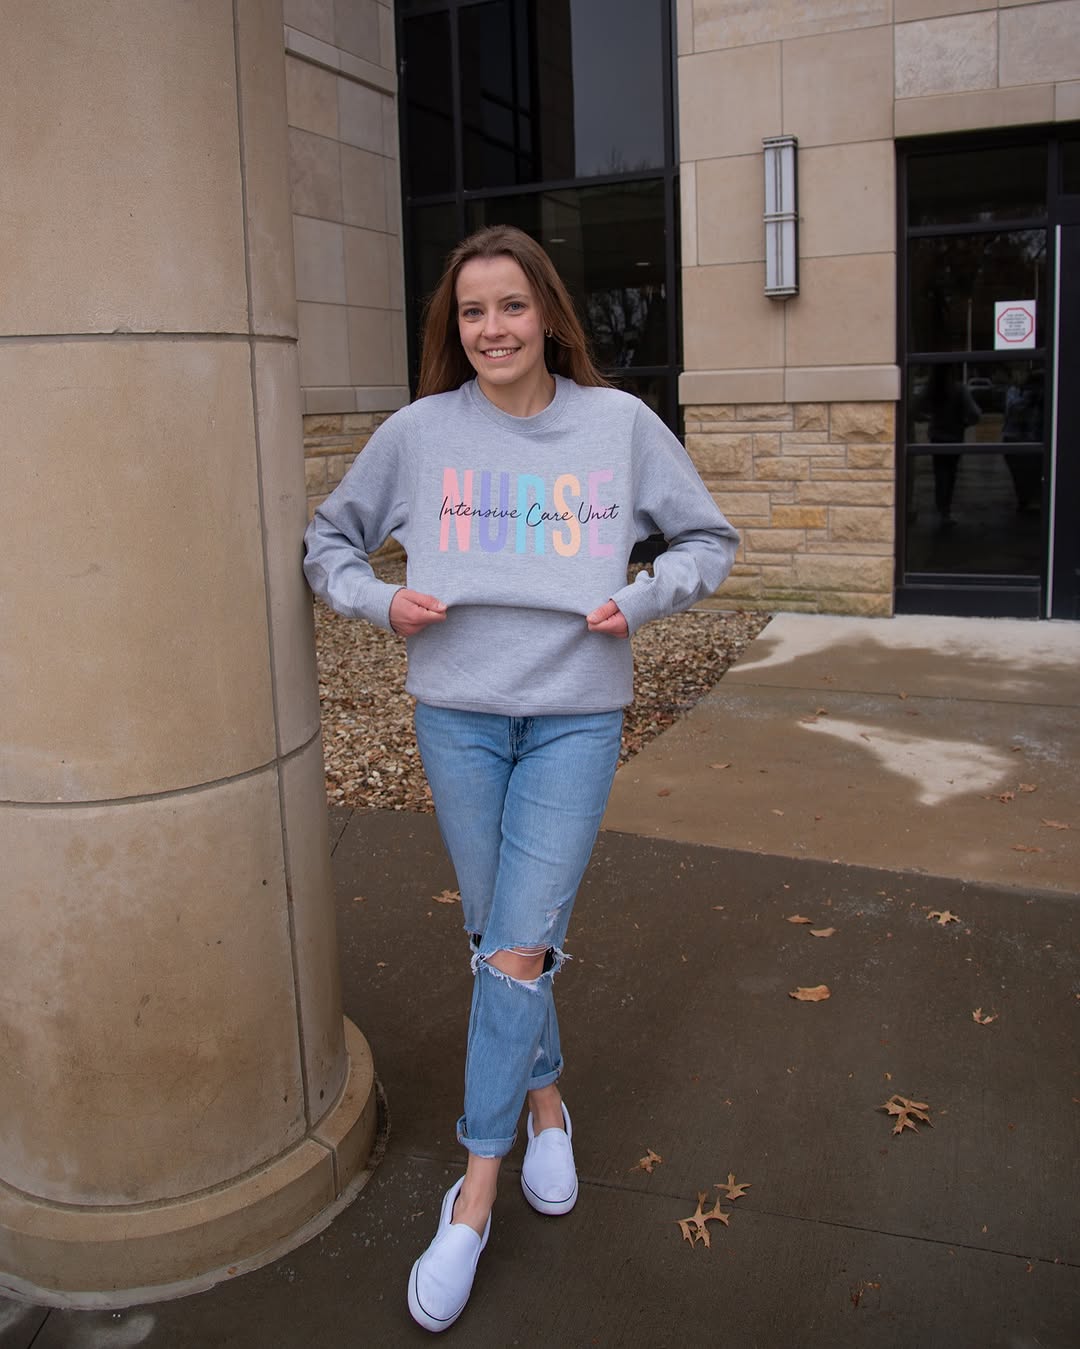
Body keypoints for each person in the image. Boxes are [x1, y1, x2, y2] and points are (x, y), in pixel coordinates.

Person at [303, 225, 739, 1332]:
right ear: (453, 328)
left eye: (510, 305)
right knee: (503, 933)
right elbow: (328, 542)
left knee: (512, 945)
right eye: (471, 311)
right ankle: (547, 1099)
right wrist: (378, 601)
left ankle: (473, 1191)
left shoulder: (618, 425)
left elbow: (707, 539)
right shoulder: (419, 433)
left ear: (547, 312)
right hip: (457, 715)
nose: (491, 328)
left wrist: (641, 596)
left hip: (574, 716)